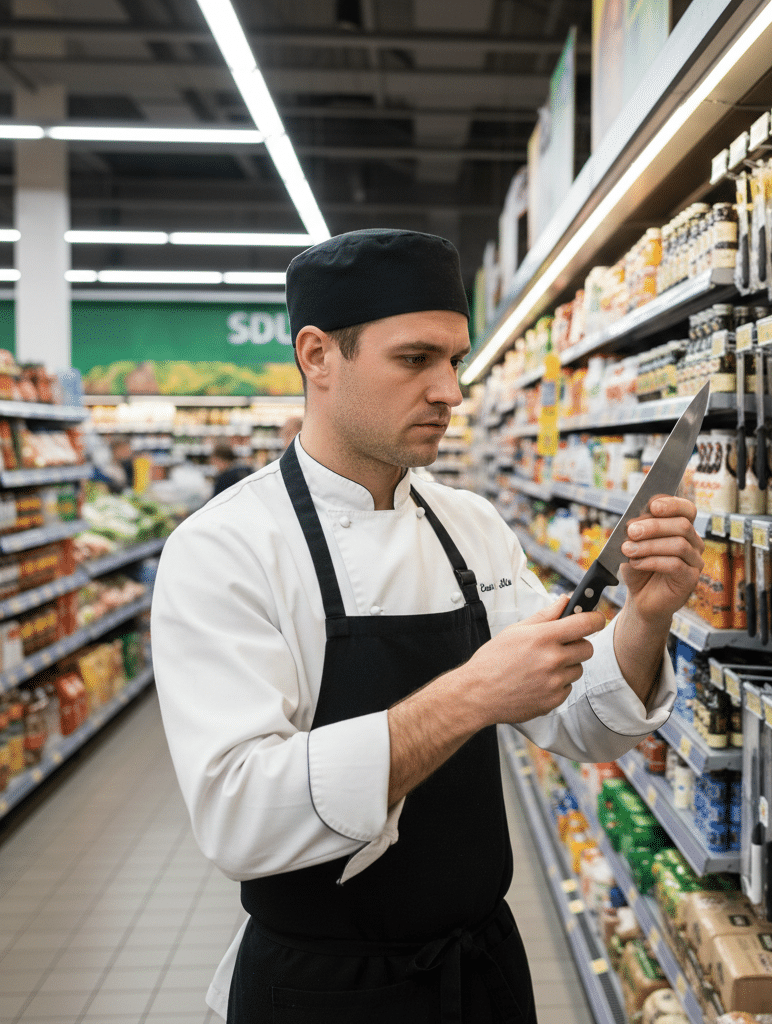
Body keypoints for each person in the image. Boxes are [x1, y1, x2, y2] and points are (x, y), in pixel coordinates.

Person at [151, 228, 705, 1023]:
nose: (450, 390)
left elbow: (582, 722)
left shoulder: (469, 524)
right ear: (317, 356)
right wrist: (471, 697)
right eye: (416, 360)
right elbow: (241, 814)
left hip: (481, 973)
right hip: (320, 992)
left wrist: (645, 619)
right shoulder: (225, 549)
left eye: (456, 361)